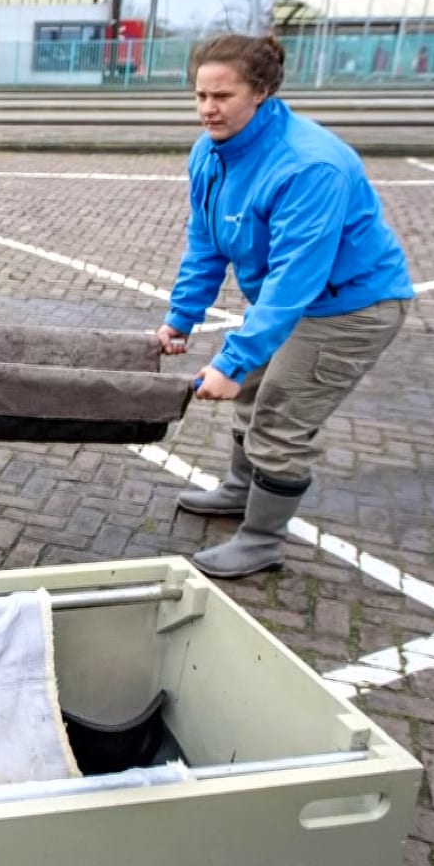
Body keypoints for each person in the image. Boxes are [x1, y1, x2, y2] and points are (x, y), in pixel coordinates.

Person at [159, 33, 416, 579]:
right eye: (201, 95)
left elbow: (295, 278)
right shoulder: (210, 152)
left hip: (349, 308)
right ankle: (237, 490)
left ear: (263, 92)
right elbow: (206, 240)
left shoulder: (308, 166)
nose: (208, 109)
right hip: (294, 300)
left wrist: (232, 360)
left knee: (280, 418)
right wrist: (182, 315)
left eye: (222, 96)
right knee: (252, 395)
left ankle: (262, 541)